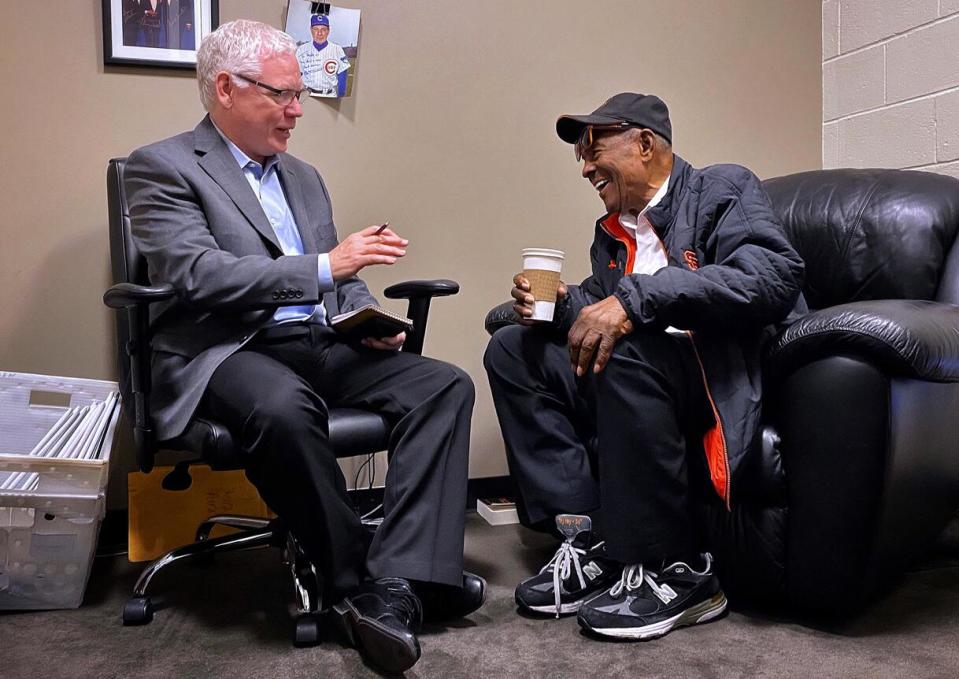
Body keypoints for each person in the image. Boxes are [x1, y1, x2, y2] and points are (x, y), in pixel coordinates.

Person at [124, 19, 482, 673]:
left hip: (315, 338)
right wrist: (327, 268)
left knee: (442, 383)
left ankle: (404, 578)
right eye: (282, 95)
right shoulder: (161, 167)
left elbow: (336, 283)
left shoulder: (304, 176)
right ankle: (360, 584)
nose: (296, 112)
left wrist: (360, 314)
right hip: (227, 347)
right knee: (285, 406)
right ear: (226, 89)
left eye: (300, 96)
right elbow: (197, 277)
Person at [483, 93, 806, 640]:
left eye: (593, 149)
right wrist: (558, 304)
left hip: (717, 372)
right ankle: (592, 537)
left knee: (627, 343)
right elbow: (602, 302)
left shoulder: (722, 189)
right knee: (514, 350)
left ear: (645, 143)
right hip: (641, 381)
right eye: (580, 157)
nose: (585, 168)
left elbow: (770, 276)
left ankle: (677, 569)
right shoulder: (610, 234)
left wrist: (635, 302)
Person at [295, 14, 350, 97]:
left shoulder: (337, 49)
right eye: (316, 29)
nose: (319, 33)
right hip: (306, 95)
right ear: (311, 30)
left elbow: (342, 74)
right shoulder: (301, 50)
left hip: (330, 94)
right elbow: (297, 75)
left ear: (328, 30)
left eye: (323, 29)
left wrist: (340, 97)